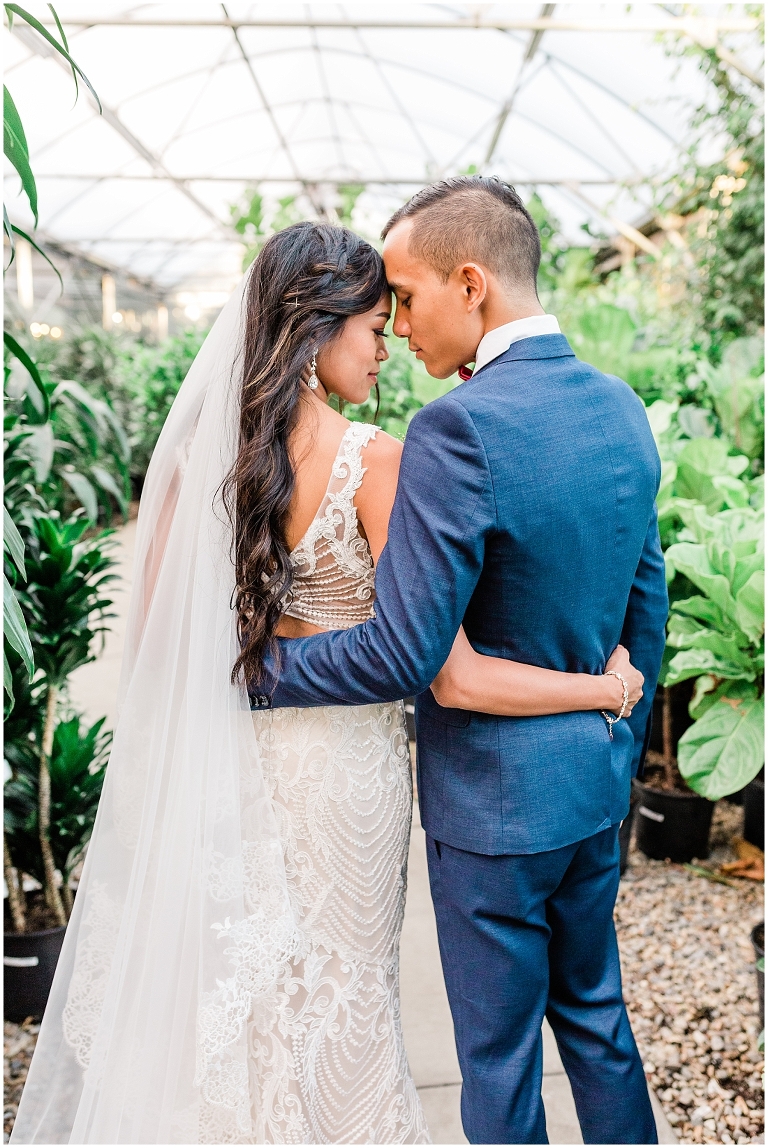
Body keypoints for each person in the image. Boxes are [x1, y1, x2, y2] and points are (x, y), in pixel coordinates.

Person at [12, 219, 645, 1146]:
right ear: (316, 333)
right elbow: (434, 661)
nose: (388, 344)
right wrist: (609, 692)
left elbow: (160, 648)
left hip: (233, 760)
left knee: (245, 1002)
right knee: (349, 997)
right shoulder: (379, 460)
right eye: (373, 326)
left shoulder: (193, 463)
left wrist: (237, 673)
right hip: (349, 773)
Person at [256, 179, 669, 1146]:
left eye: (404, 295)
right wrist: (614, 739)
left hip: (493, 810)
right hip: (596, 788)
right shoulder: (621, 408)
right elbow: (645, 604)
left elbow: (407, 649)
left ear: (471, 284)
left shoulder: (458, 428)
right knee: (599, 1024)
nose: (395, 322)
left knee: (498, 1058)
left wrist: (261, 675)